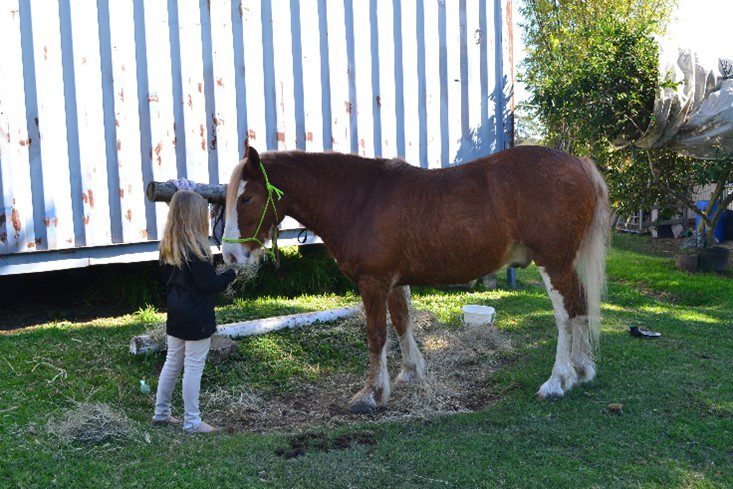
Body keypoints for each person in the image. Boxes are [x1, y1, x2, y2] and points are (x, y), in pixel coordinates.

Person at [152, 189, 236, 433]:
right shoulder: (196, 252)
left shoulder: (169, 248)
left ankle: (162, 413)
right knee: (193, 366)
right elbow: (209, 285)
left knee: (172, 362)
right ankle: (192, 421)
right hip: (197, 316)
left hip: (176, 313)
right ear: (193, 217)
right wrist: (230, 274)